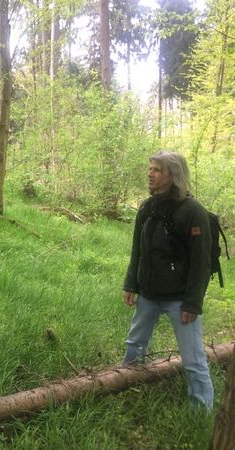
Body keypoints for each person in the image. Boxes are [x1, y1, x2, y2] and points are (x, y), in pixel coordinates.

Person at [122, 151, 214, 409]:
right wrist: (131, 284)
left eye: (157, 170)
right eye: (150, 168)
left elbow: (201, 263)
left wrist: (193, 304)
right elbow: (137, 251)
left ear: (173, 175)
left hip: (180, 300)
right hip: (149, 295)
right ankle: (125, 389)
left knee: (193, 360)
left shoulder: (194, 211)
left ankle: (202, 412)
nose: (150, 174)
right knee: (134, 345)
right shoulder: (147, 207)